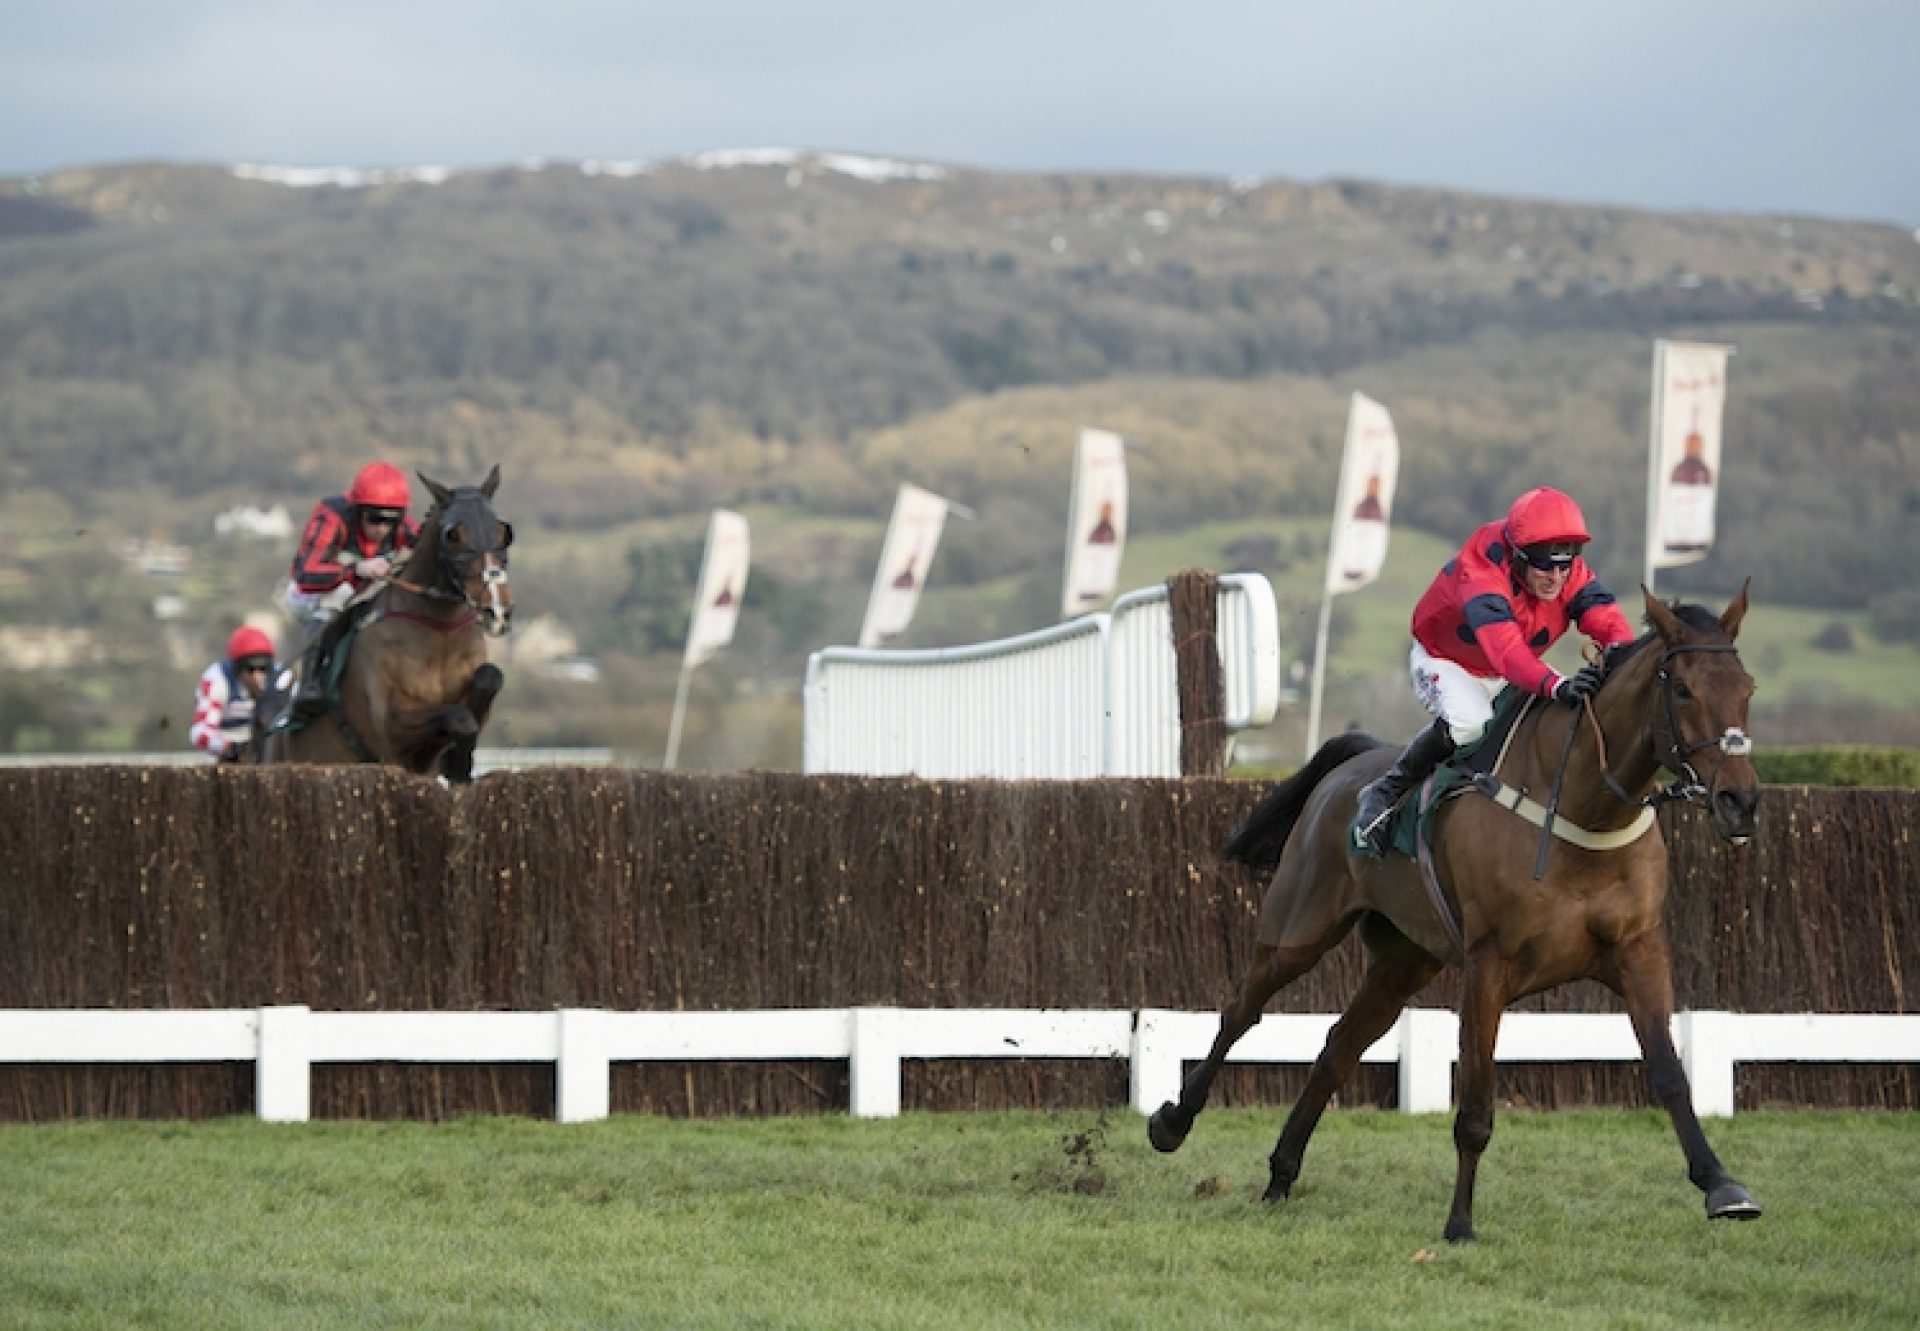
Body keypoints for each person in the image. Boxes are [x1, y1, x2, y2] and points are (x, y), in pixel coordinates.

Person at [1352, 486, 1636, 856]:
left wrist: (1624, 659)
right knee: (1471, 723)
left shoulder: (1567, 571)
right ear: (1517, 557)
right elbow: (1508, 655)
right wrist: (1558, 685)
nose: (1556, 577)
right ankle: (1386, 790)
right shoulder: (1481, 570)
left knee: (1568, 715)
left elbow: (1610, 623)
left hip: (1509, 667)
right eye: (1545, 565)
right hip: (1447, 662)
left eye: (1566, 563)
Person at [285, 461, 419, 718]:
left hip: (360, 593)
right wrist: (355, 570)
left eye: (390, 521)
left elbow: (426, 547)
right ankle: (309, 683)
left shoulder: (400, 526)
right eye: (374, 518)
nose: (382, 529)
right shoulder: (331, 515)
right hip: (308, 594)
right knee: (340, 595)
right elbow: (306, 573)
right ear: (357, 510)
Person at [189, 626, 280, 762]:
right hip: (227, 755)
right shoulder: (217, 679)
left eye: (263, 668)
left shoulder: (282, 678)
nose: (257, 676)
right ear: (237, 669)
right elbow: (199, 732)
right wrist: (231, 748)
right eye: (250, 669)